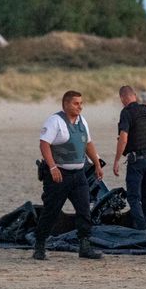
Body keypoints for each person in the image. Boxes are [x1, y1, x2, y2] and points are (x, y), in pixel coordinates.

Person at [31, 90, 104, 261]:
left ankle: (84, 246)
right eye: (76, 103)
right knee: (51, 212)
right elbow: (44, 144)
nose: (80, 107)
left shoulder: (82, 121)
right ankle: (39, 246)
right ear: (65, 105)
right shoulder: (55, 121)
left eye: (81, 103)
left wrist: (97, 163)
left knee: (84, 210)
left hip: (79, 175)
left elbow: (88, 143)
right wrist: (52, 167)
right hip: (59, 176)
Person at [112, 85, 146, 230]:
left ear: (122, 98)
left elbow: (123, 138)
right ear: (135, 95)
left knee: (134, 197)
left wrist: (116, 160)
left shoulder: (126, 112)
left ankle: (142, 229)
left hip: (137, 161)